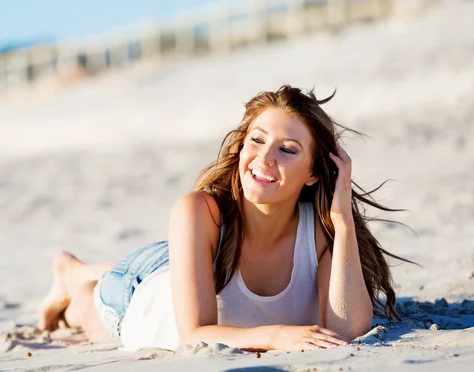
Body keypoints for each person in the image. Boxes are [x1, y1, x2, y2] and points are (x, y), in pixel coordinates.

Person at [37, 85, 406, 352]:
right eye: (257, 140)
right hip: (138, 294)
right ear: (242, 145)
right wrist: (276, 336)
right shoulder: (197, 210)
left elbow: (350, 329)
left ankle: (77, 271)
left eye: (288, 149)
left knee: (181, 258)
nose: (264, 158)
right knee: (85, 307)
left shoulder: (323, 229)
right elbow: (194, 333)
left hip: (204, 257)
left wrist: (343, 222)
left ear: (314, 172)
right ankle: (71, 274)